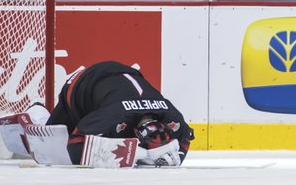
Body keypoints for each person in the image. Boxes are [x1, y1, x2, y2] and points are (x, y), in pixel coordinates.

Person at [39, 60, 193, 166]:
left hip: (123, 76)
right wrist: (138, 154)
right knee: (48, 145)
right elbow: (75, 143)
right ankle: (37, 112)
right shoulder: (114, 115)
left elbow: (185, 138)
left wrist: (178, 157)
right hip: (82, 84)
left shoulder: (172, 116)